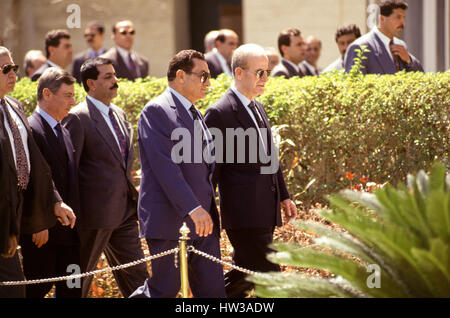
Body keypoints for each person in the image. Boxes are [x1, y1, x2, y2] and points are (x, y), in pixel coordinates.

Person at [130, 50, 225, 298]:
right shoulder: (156, 111)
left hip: (203, 223)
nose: (208, 83)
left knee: (213, 292)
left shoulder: (197, 113)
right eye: (202, 76)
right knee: (163, 290)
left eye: (209, 76)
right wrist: (193, 208)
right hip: (170, 221)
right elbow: (165, 168)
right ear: (180, 75)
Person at [204, 44, 297, 298]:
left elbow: (270, 158)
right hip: (244, 216)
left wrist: (284, 195)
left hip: (265, 211)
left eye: (266, 72)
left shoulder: (258, 107)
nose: (265, 79)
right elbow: (211, 172)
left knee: (242, 277)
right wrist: (202, 212)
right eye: (259, 73)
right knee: (273, 277)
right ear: (239, 72)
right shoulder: (218, 113)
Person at [64, 57, 149, 298]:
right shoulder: (77, 117)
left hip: (124, 213)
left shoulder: (120, 114)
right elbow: (70, 168)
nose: (116, 81)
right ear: (91, 83)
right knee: (77, 282)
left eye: (115, 75)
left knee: (138, 279)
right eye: (108, 77)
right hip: (91, 217)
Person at [0, 46, 76, 298]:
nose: (13, 74)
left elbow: (35, 162)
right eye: (5, 69)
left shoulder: (13, 106)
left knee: (15, 288)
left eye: (14, 68)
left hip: (15, 212)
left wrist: (54, 202)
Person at [20, 67, 80, 298]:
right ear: (47, 94)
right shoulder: (30, 129)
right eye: (67, 95)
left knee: (73, 290)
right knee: (38, 289)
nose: (72, 102)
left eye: (73, 95)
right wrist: (38, 223)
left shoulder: (63, 130)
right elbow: (29, 180)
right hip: (42, 233)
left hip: (70, 234)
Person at [344, 0, 423, 74]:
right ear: (381, 19)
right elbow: (353, 86)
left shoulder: (401, 45)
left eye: (403, 18)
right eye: (398, 17)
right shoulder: (360, 47)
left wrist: (409, 60)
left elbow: (420, 78)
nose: (403, 23)